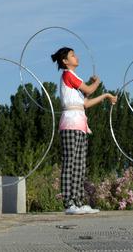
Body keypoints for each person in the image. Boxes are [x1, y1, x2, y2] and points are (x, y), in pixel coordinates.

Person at [50, 46, 116, 215]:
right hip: (70, 123)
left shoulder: (75, 77)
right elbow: (88, 89)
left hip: (80, 124)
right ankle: (69, 203)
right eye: (72, 55)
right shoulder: (67, 74)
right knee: (70, 164)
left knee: (79, 165)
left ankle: (78, 202)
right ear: (65, 61)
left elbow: (85, 103)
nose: (76, 57)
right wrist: (96, 83)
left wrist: (106, 95)